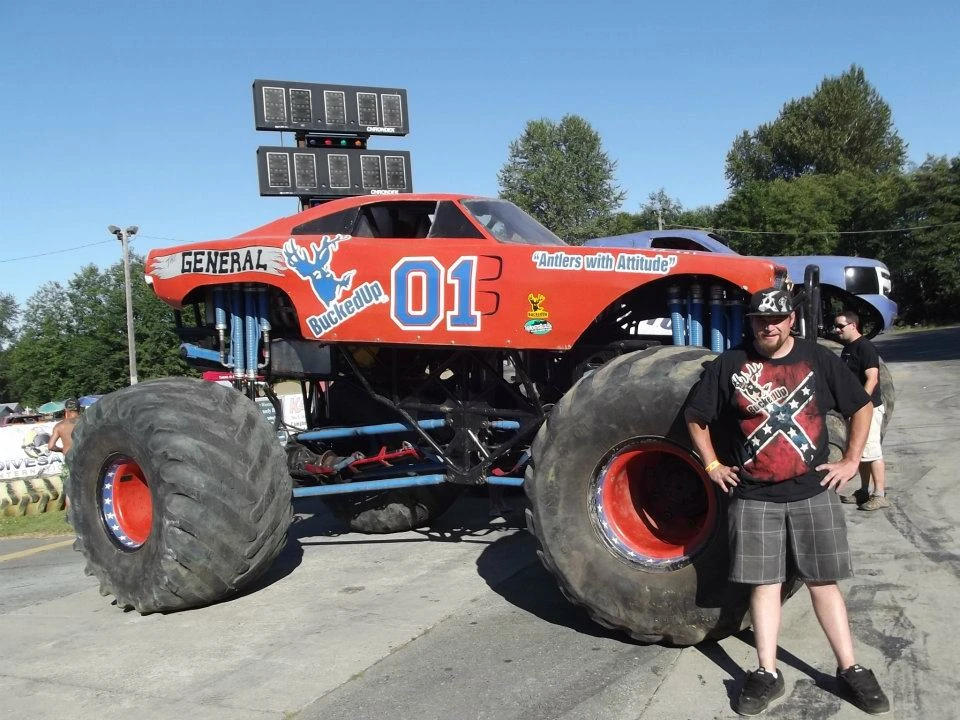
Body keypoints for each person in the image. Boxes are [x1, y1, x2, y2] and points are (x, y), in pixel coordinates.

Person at [684, 288, 890, 716]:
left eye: (776, 318)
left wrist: (852, 459)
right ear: (751, 320)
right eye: (760, 318)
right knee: (764, 586)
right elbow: (696, 416)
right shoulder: (731, 365)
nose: (768, 326)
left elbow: (861, 405)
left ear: (791, 319)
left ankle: (850, 668)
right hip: (755, 497)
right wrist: (713, 466)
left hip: (812, 493)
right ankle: (766, 672)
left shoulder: (818, 359)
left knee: (823, 583)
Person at [835, 310, 889, 511]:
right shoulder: (848, 348)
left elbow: (872, 378)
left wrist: (862, 405)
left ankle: (880, 494)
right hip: (855, 410)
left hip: (869, 409)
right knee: (861, 451)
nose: (836, 329)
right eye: (836, 325)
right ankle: (864, 491)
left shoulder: (865, 347)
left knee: (873, 451)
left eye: (840, 326)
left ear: (853, 325)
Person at [48, 398, 80, 511]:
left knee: (70, 490)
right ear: (79, 409)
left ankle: (72, 515)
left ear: (66, 410)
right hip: (86, 457)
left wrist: (61, 449)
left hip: (69, 459)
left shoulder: (60, 426)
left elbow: (51, 446)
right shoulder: (86, 421)